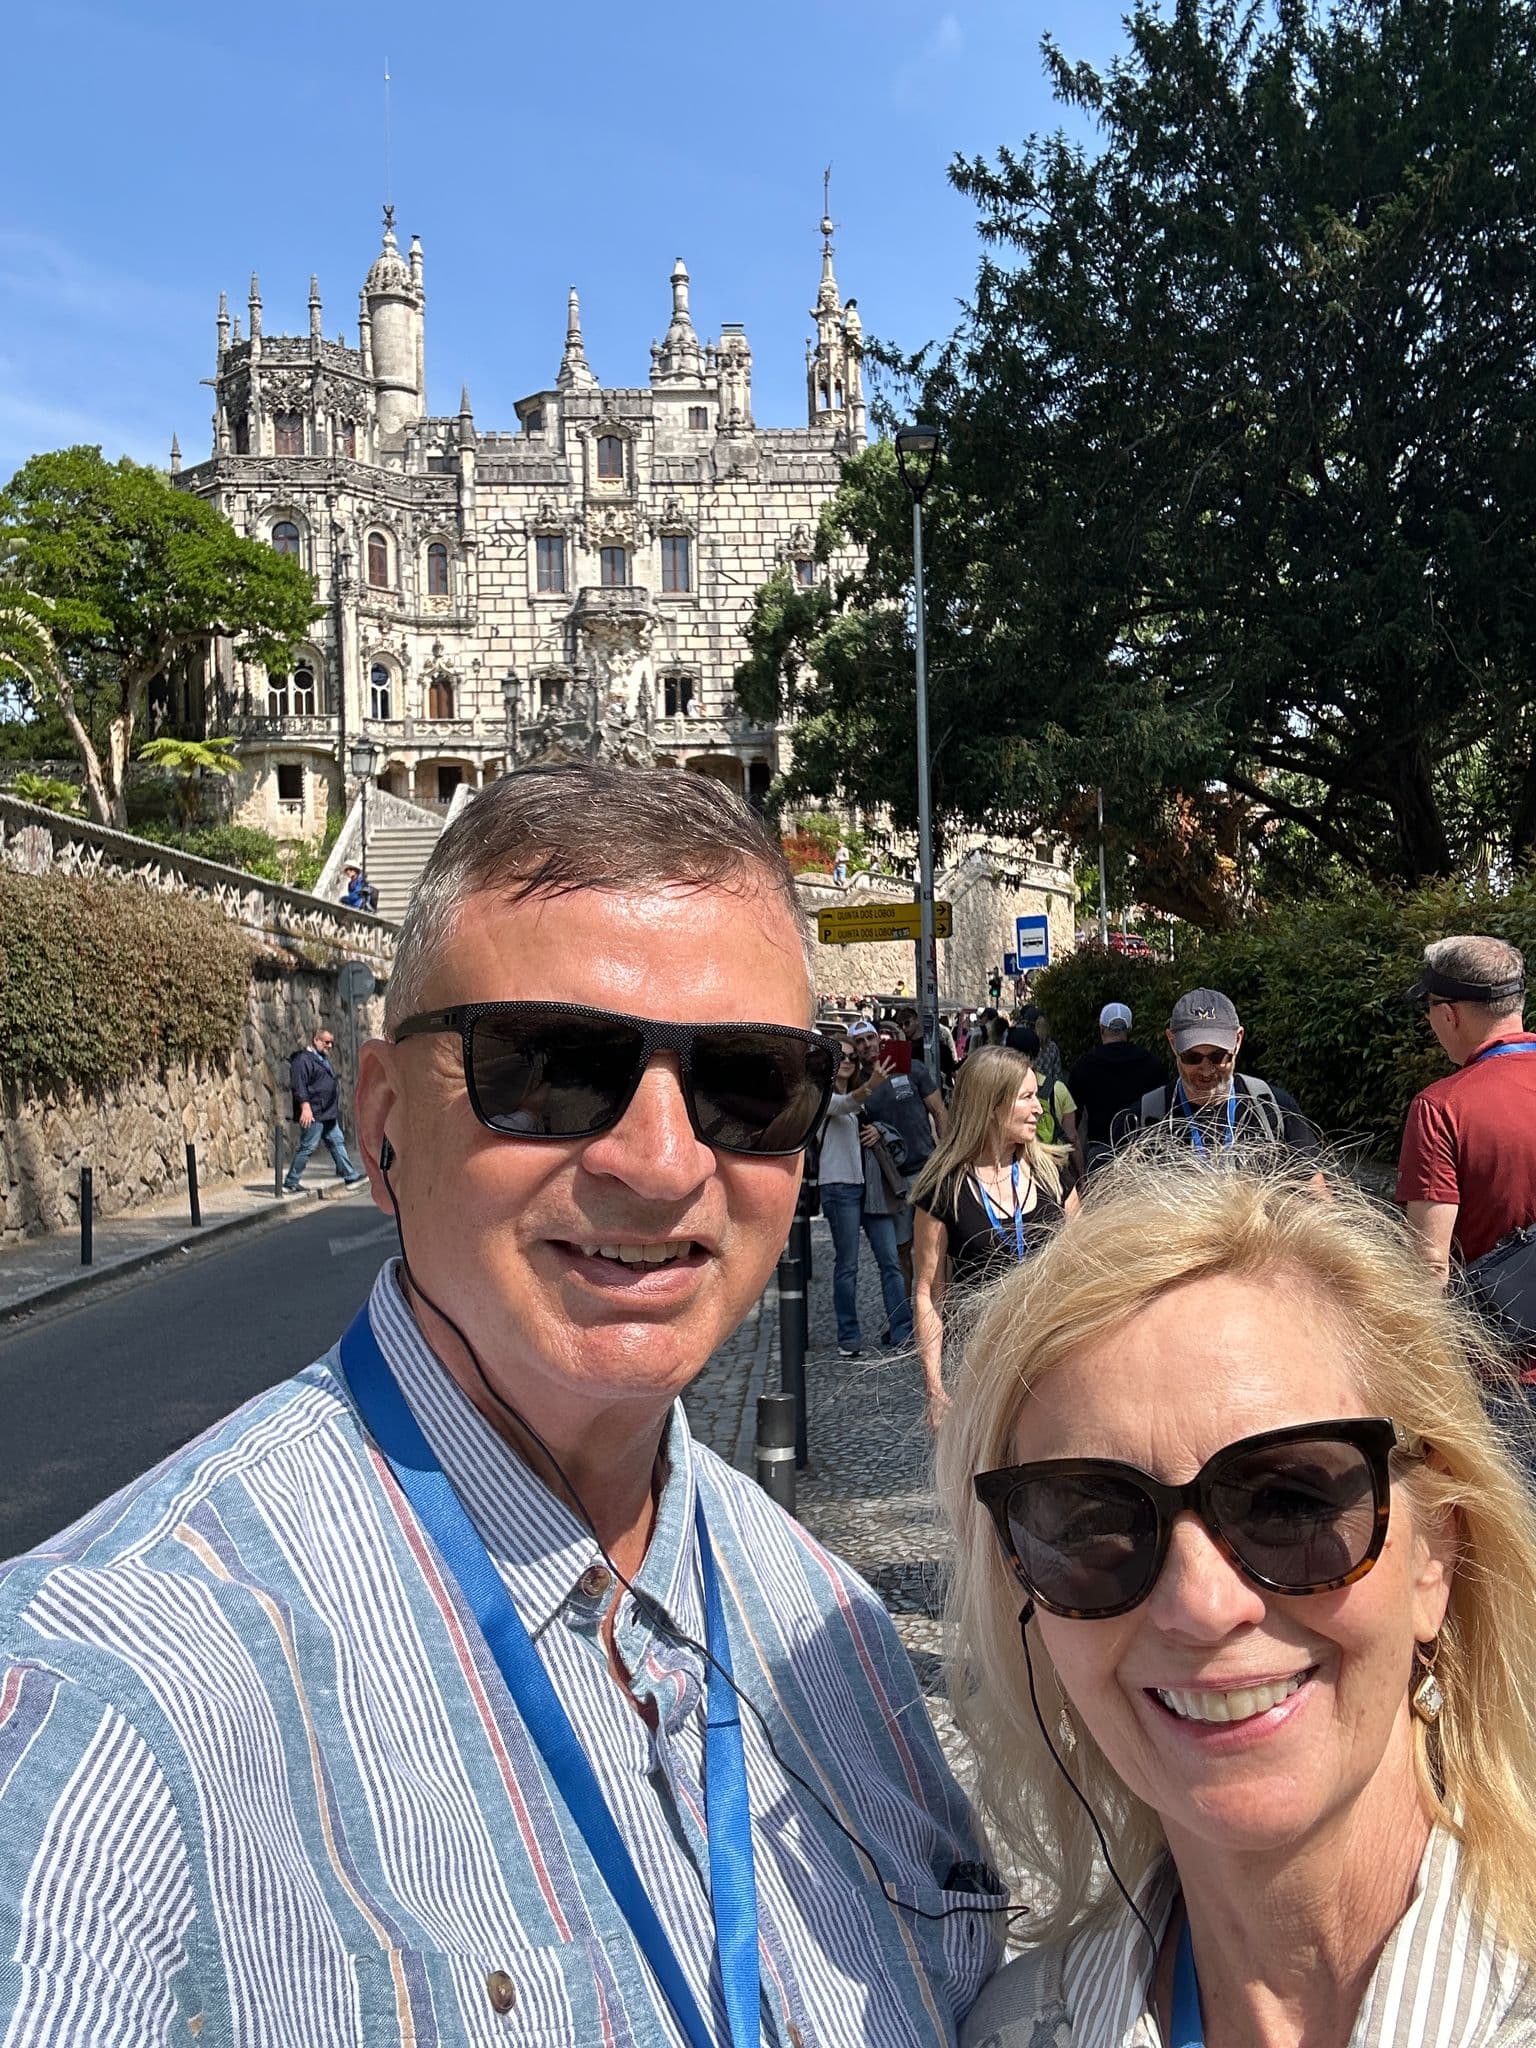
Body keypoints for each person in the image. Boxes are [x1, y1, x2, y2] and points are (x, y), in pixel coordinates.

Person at [0, 765, 1002, 2045]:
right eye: (549, 1068)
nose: (661, 1162)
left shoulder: (836, 1632)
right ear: (380, 1124)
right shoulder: (105, 1707)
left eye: (749, 1080)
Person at [941, 1157, 1536, 2046]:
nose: (1201, 1605)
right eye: (1094, 1525)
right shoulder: (1013, 2031)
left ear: (1436, 1554)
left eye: (1288, 1502)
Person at [910, 1046, 1079, 1432]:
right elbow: (929, 1293)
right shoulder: (943, 1190)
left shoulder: (1053, 1175)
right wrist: (935, 1390)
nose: (1039, 1108)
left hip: (1053, 1361)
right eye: (1027, 1097)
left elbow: (1083, 1264)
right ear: (991, 1105)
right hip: (980, 1368)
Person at [1398, 935, 1536, 1293]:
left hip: (1496, 1346)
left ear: (1449, 1014)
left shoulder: (1441, 1108)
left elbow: (1428, 1265)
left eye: (1428, 1009)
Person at [1111, 987, 1320, 1161]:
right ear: (1172, 1043)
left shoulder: (1274, 1108)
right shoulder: (1141, 1120)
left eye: (1219, 1056)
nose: (1206, 1069)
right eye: (1192, 1057)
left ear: (1237, 1041)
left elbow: (1315, 1195)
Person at [826, 1027, 917, 1356]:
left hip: (871, 1187)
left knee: (891, 1259)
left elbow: (860, 1113)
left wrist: (877, 1131)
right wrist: (873, 1083)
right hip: (840, 1188)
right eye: (842, 1057)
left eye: (852, 1057)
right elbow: (845, 1103)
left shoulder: (859, 1101)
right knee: (847, 1265)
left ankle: (902, 1329)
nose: (849, 1061)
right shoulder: (822, 1095)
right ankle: (848, 1336)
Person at [867, 1013, 949, 1296]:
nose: (884, 1045)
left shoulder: (915, 1070)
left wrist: (949, 1155)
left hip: (927, 1168)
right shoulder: (865, 1084)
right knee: (902, 1248)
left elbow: (939, 1111)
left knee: (936, 1243)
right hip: (894, 1178)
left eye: (891, 1039)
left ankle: (938, 1306)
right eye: (880, 1041)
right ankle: (904, 1313)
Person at [1065, 1001, 1168, 1173]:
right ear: (1129, 1029)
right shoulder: (1151, 1063)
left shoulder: (1085, 1064)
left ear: (1101, 1029)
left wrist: (1078, 1170)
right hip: (1141, 1153)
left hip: (1101, 1153)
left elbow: (1072, 1119)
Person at [283, 1022, 367, 1190]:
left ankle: (350, 1176)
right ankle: (290, 1182)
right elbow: (299, 1086)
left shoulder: (321, 1058)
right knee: (308, 1147)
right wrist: (305, 1107)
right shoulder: (302, 1060)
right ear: (316, 1040)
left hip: (327, 1112)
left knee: (337, 1141)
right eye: (326, 1042)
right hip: (314, 1112)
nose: (330, 1046)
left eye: (331, 1042)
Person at [1003, 1024, 1078, 1152]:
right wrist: (1080, 1170)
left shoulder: (999, 1090)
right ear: (1038, 1053)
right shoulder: (1057, 1088)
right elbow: (1071, 1136)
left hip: (1013, 1162)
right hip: (1052, 1163)